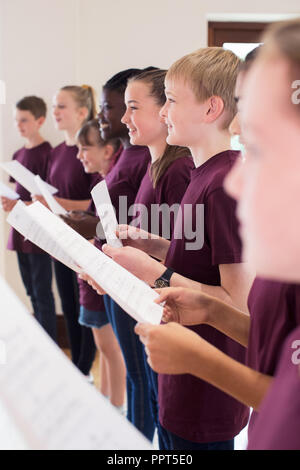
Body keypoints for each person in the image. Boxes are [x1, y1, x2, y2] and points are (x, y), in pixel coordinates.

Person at [97, 49, 254, 450]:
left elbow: (237, 304)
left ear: (211, 108)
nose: (163, 111)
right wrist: (153, 245)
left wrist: (151, 270)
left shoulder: (223, 185)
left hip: (206, 386)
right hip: (181, 373)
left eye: (171, 99)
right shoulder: (204, 174)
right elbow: (200, 260)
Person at [122, 68, 194, 447]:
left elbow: (184, 253)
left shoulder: (178, 169)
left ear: (163, 109)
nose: (123, 119)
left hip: (169, 308)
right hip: (151, 303)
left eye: (133, 108)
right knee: (157, 408)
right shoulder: (155, 166)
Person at [94, 68, 154, 439]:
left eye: (110, 106)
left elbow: (155, 233)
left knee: (141, 379)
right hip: (119, 274)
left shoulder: (150, 161)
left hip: (135, 282)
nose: (108, 115)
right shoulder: (130, 157)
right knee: (137, 379)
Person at [66, 118, 126, 409]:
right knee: (104, 348)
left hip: (103, 282)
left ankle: (115, 407)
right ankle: (105, 402)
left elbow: (111, 238)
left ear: (108, 150)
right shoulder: (103, 183)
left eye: (85, 148)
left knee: (111, 349)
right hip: (90, 279)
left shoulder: (114, 185)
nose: (79, 155)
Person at [40, 85, 99, 376]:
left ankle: (83, 369)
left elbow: (94, 204)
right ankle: (77, 369)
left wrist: (53, 202)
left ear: (82, 112)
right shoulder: (57, 152)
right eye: (53, 106)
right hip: (59, 241)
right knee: (68, 305)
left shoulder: (88, 152)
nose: (55, 112)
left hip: (84, 245)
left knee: (83, 313)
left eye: (61, 106)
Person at [1, 96, 56, 341]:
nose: (19, 125)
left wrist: (18, 204)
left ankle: (50, 344)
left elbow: (49, 199)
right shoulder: (18, 154)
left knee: (42, 292)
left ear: (40, 120)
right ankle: (40, 344)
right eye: (16, 120)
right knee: (31, 292)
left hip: (40, 232)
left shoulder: (49, 154)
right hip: (20, 229)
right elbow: (17, 192)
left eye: (24, 120)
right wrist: (9, 201)